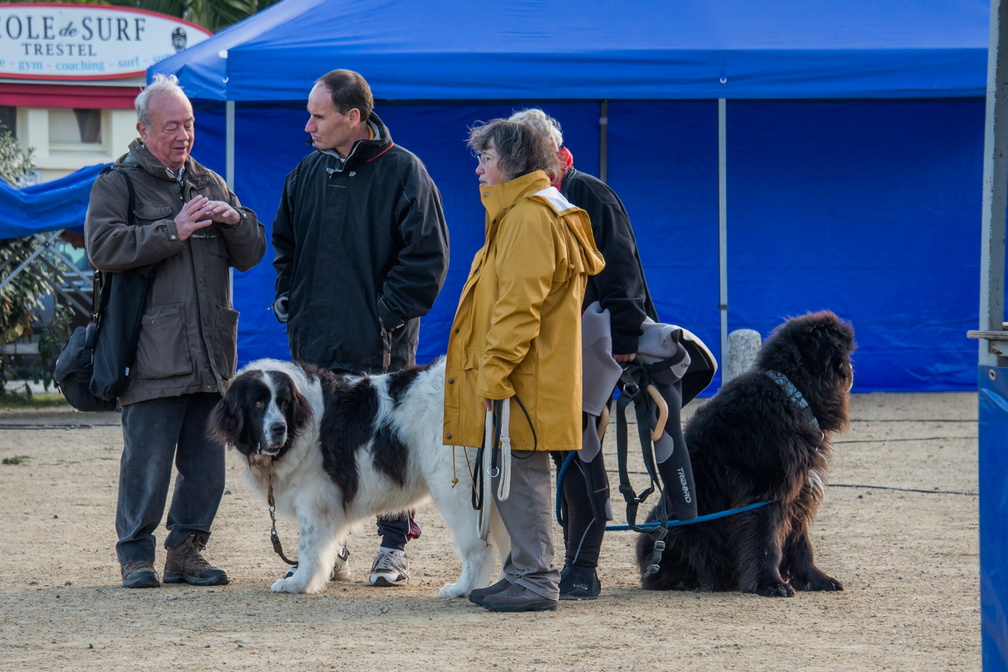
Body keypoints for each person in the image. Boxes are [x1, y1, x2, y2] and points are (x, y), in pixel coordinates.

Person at [84, 74, 266, 589]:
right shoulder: (116, 183)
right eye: (171, 127)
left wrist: (235, 219)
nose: (184, 135)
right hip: (151, 353)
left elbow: (251, 254)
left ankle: (187, 551)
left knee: (208, 465)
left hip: (211, 352)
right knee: (147, 462)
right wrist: (173, 229)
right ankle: (135, 556)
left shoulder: (209, 180)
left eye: (188, 124)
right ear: (143, 131)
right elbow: (102, 247)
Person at [272, 69, 449, 587]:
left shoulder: (404, 172)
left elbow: (427, 259)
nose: (308, 126)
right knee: (326, 448)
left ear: (354, 117)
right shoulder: (306, 173)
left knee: (389, 444)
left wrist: (385, 313)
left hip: (380, 344)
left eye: (318, 115)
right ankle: (334, 545)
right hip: (314, 345)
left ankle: (393, 548)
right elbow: (286, 246)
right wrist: (290, 298)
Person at [444, 119, 605, 612]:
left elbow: (518, 309)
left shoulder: (527, 218)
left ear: (511, 163)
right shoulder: (528, 212)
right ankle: (522, 571)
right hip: (529, 374)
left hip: (523, 377)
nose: (478, 169)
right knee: (514, 472)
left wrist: (493, 373)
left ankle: (535, 579)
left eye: (485, 159)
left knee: (523, 472)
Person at [509, 108, 657, 600]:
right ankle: (560, 561)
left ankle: (583, 565)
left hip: (593, 342)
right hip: (555, 346)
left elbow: (622, 267)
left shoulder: (588, 193)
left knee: (580, 449)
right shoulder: (531, 197)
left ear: (546, 153)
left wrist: (629, 341)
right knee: (561, 449)